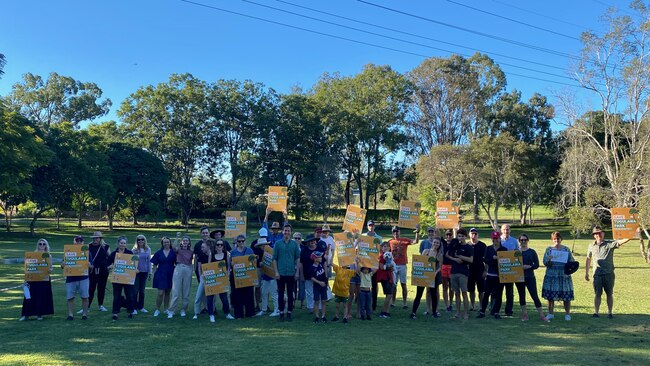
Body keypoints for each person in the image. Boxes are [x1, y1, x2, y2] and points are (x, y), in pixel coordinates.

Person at [585, 226, 635, 318]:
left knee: (609, 293)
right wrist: (586, 272)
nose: (599, 235)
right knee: (597, 293)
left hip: (608, 274)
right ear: (594, 235)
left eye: (600, 233)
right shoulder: (591, 246)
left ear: (603, 234)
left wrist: (631, 236)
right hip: (597, 274)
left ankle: (610, 312)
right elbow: (588, 258)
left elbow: (620, 242)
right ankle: (596, 312)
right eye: (597, 233)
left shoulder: (609, 243)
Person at [542, 231, 574, 321]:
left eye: (558, 238)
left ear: (561, 239)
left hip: (563, 276)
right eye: (555, 239)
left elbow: (572, 261)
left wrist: (569, 265)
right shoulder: (549, 250)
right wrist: (548, 260)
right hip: (551, 276)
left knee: (566, 296)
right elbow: (545, 262)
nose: (557, 240)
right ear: (552, 240)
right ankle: (550, 313)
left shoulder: (566, 250)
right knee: (550, 296)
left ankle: (567, 314)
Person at [20, 239, 54, 321]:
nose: (42, 245)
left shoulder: (48, 256)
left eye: (43, 244)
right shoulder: (32, 255)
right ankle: (25, 315)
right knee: (28, 296)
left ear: (46, 245)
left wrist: (50, 270)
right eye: (40, 244)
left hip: (43, 279)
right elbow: (28, 267)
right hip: (32, 279)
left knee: (41, 296)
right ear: (37, 245)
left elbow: (51, 267)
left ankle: (39, 314)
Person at [516, 234, 548, 322]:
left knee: (534, 296)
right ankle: (524, 314)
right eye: (521, 240)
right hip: (519, 277)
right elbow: (512, 264)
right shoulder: (516, 252)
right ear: (519, 241)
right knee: (522, 296)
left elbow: (537, 265)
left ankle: (541, 315)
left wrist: (529, 266)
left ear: (527, 240)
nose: (523, 241)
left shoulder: (532, 252)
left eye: (525, 240)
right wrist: (520, 267)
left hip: (530, 277)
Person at [272, 224, 300, 322]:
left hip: (291, 273)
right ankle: (281, 312)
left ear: (291, 232)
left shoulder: (294, 244)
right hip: (280, 273)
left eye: (288, 231)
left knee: (290, 294)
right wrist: (276, 272)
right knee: (280, 294)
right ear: (282, 232)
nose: (287, 232)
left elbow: (297, 258)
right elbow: (274, 259)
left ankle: (289, 312)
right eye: (285, 231)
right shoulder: (278, 244)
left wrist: (297, 272)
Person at [410, 236, 443, 319]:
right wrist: (415, 271)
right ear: (432, 242)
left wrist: (435, 273)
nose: (436, 244)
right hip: (423, 276)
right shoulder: (426, 251)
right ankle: (413, 313)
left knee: (433, 294)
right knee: (419, 294)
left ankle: (434, 312)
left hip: (433, 276)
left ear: (439, 245)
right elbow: (420, 261)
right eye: (435, 242)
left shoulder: (439, 255)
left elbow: (440, 266)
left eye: (437, 243)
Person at [388, 225, 420, 309]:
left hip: (402, 265)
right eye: (394, 231)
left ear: (399, 232)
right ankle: (393, 302)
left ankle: (404, 303)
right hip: (394, 265)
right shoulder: (390, 242)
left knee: (403, 284)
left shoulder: (404, 240)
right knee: (394, 285)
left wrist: (417, 232)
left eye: (397, 231)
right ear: (392, 233)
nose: (396, 233)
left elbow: (415, 241)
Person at [445, 228, 474, 319]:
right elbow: (447, 254)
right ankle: (457, 313)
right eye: (459, 236)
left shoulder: (469, 247)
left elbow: (471, 260)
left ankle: (466, 313)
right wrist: (455, 259)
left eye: (462, 236)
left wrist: (461, 256)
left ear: (465, 236)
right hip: (454, 271)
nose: (460, 237)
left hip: (463, 272)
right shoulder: (455, 244)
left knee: (464, 293)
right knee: (456, 293)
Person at [478, 231, 507, 319]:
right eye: (494, 239)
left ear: (499, 239)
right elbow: (485, 260)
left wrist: (498, 259)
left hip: (500, 275)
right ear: (492, 239)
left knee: (498, 295)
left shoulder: (504, 249)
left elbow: (506, 261)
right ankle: (482, 311)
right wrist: (494, 259)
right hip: (490, 274)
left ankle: (496, 312)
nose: (495, 240)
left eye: (497, 238)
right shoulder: (488, 248)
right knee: (486, 293)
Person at [107, 236, 136, 321]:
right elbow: (107, 265)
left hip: (127, 278)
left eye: (124, 243)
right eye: (121, 243)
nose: (122, 245)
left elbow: (133, 264)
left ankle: (130, 311)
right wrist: (110, 266)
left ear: (126, 244)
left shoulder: (130, 253)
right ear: (118, 243)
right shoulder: (113, 254)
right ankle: (115, 313)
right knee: (116, 296)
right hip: (117, 279)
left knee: (129, 295)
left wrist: (135, 269)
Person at [64, 235, 90, 320]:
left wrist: (90, 265)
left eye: (80, 241)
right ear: (74, 242)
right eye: (77, 241)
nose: (79, 242)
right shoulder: (68, 251)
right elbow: (63, 264)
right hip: (71, 278)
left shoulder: (87, 252)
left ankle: (85, 314)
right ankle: (70, 315)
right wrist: (62, 265)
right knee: (70, 297)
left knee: (85, 297)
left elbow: (92, 265)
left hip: (83, 278)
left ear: (83, 242)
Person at [230, 235, 256, 318]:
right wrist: (232, 264)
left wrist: (254, 261)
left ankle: (250, 313)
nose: (241, 243)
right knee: (238, 295)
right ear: (236, 242)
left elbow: (253, 262)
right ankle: (239, 314)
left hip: (248, 276)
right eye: (239, 241)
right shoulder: (233, 252)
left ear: (245, 241)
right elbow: (230, 263)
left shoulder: (250, 250)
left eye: (242, 241)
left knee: (249, 294)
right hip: (238, 276)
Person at [298, 234, 326, 312]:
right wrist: (302, 275)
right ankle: (310, 307)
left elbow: (324, 262)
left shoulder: (320, 249)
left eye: (313, 240)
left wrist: (326, 274)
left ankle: (319, 307)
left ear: (316, 241)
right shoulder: (304, 250)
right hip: (308, 274)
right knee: (309, 291)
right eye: (310, 241)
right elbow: (301, 263)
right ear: (308, 242)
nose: (312, 242)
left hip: (319, 274)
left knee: (319, 291)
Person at [254, 234, 280, 318]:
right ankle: (264, 309)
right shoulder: (261, 253)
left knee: (273, 293)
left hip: (272, 275)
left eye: (263, 245)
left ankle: (277, 309)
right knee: (264, 293)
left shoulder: (272, 251)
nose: (262, 247)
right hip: (265, 275)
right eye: (261, 246)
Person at [169, 233, 193, 318]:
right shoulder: (178, 249)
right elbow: (173, 246)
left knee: (186, 292)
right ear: (182, 242)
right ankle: (172, 310)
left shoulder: (191, 251)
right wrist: (177, 237)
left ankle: (183, 309)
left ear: (189, 242)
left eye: (187, 241)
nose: (185, 242)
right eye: (184, 241)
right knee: (175, 291)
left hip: (188, 268)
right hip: (178, 268)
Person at [151, 236, 176, 317]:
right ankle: (157, 309)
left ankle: (166, 309)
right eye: (165, 242)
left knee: (168, 292)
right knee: (161, 293)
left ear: (170, 243)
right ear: (162, 243)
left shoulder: (173, 252)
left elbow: (177, 263)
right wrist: (155, 273)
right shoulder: (158, 252)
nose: (166, 243)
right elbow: (154, 264)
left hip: (171, 274)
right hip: (161, 274)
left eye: (168, 242)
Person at [193, 240, 217, 322]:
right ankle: (196, 313)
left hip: (212, 278)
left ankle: (212, 312)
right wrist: (200, 278)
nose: (201, 248)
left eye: (203, 247)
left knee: (211, 297)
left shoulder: (214, 255)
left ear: (208, 247)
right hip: (203, 278)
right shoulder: (201, 255)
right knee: (198, 296)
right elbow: (199, 267)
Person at [87, 231, 110, 312]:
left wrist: (109, 266)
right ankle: (87, 306)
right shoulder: (88, 246)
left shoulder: (105, 247)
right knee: (91, 288)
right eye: (94, 237)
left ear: (100, 239)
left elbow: (110, 258)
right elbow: (84, 257)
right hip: (91, 270)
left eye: (97, 237)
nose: (96, 239)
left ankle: (100, 305)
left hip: (103, 271)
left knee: (101, 288)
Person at [213, 239, 234, 320]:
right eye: (218, 245)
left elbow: (228, 266)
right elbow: (209, 265)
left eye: (221, 245)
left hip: (223, 279)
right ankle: (212, 312)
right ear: (215, 246)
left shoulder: (226, 254)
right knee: (212, 297)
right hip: (214, 279)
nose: (219, 246)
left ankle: (227, 313)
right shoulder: (212, 254)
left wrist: (228, 274)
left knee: (224, 297)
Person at [500, 224, 519, 317]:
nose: (506, 231)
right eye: (504, 229)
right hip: (500, 269)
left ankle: (509, 310)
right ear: (501, 230)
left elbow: (517, 253)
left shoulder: (514, 241)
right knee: (497, 291)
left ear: (510, 230)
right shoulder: (498, 240)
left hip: (510, 269)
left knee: (510, 292)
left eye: (507, 229)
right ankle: (495, 309)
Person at [363, 220, 382, 312]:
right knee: (363, 285)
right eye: (370, 225)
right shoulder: (363, 236)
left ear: (374, 226)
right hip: (364, 263)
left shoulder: (379, 238)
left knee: (374, 285)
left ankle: (373, 305)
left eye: (372, 225)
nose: (371, 227)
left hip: (374, 264)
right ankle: (363, 305)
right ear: (367, 226)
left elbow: (381, 251)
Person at [467, 228, 487, 311]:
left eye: (475, 234)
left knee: (481, 290)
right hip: (469, 271)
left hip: (480, 270)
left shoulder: (482, 245)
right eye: (472, 233)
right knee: (471, 290)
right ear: (469, 234)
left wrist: (486, 271)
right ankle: (473, 305)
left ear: (477, 235)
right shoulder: (467, 245)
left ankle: (482, 306)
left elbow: (486, 260)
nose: (473, 235)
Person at [132, 234, 151, 314]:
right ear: (137, 241)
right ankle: (134, 307)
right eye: (139, 240)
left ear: (144, 240)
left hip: (145, 272)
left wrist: (150, 272)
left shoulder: (148, 249)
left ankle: (141, 307)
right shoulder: (134, 250)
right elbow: (131, 262)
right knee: (135, 290)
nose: (141, 241)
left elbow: (149, 261)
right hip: (136, 272)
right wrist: (135, 269)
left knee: (142, 291)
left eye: (142, 239)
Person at [193, 226, 210, 314]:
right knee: (202, 290)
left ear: (209, 233)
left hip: (211, 270)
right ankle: (205, 307)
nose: (205, 234)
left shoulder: (212, 243)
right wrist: (195, 268)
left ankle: (211, 307)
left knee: (211, 290)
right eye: (203, 233)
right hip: (200, 270)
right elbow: (196, 258)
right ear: (201, 234)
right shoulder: (197, 245)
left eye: (206, 232)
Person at [377, 242, 395, 319]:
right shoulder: (381, 256)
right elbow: (381, 267)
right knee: (389, 294)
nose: (385, 248)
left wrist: (392, 267)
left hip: (389, 276)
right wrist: (389, 267)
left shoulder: (390, 256)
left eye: (387, 246)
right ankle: (383, 312)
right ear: (381, 248)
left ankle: (387, 311)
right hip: (384, 277)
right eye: (384, 246)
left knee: (390, 294)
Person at [310, 251, 328, 323]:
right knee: (316, 301)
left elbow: (326, 264)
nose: (321, 258)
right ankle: (317, 316)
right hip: (317, 286)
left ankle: (323, 316)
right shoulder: (312, 267)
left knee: (324, 301)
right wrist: (319, 282)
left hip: (323, 285)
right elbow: (311, 278)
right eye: (319, 257)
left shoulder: (321, 265)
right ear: (315, 259)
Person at [441, 229, 455, 312]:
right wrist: (437, 218)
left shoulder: (454, 242)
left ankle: (450, 303)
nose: (448, 236)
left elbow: (457, 233)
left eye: (450, 235)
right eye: (447, 235)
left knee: (452, 287)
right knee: (444, 287)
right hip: (444, 266)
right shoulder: (443, 242)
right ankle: (447, 305)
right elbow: (438, 232)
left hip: (452, 266)